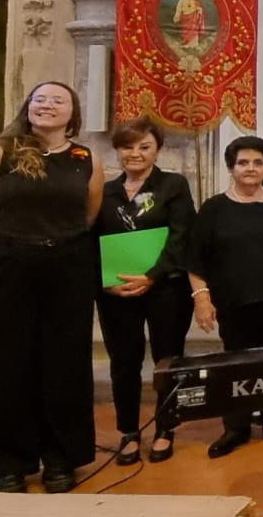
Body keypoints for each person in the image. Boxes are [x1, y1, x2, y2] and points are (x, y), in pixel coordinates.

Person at [0, 82, 103, 493]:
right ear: (27, 107)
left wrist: (53, 246)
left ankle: (60, 459)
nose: (47, 105)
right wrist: (4, 249)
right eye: (40, 99)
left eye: (58, 100)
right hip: (4, 271)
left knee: (65, 365)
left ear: (73, 113)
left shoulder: (85, 159)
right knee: (5, 365)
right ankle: (9, 463)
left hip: (67, 270)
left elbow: (88, 215)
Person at [188, 135, 263, 458]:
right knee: (236, 364)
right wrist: (202, 299)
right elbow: (195, 260)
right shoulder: (214, 209)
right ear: (231, 168)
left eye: (258, 162)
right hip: (233, 302)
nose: (250, 168)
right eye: (243, 162)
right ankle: (236, 426)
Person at [94, 117, 195, 466]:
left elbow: (182, 236)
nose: (135, 153)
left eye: (144, 146)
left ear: (157, 150)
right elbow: (91, 241)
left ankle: (166, 428)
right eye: (127, 146)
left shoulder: (173, 185)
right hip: (117, 292)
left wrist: (151, 276)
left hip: (165, 287)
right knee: (124, 362)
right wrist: (106, 281)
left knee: (168, 359)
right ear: (117, 150)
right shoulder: (104, 191)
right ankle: (128, 431)